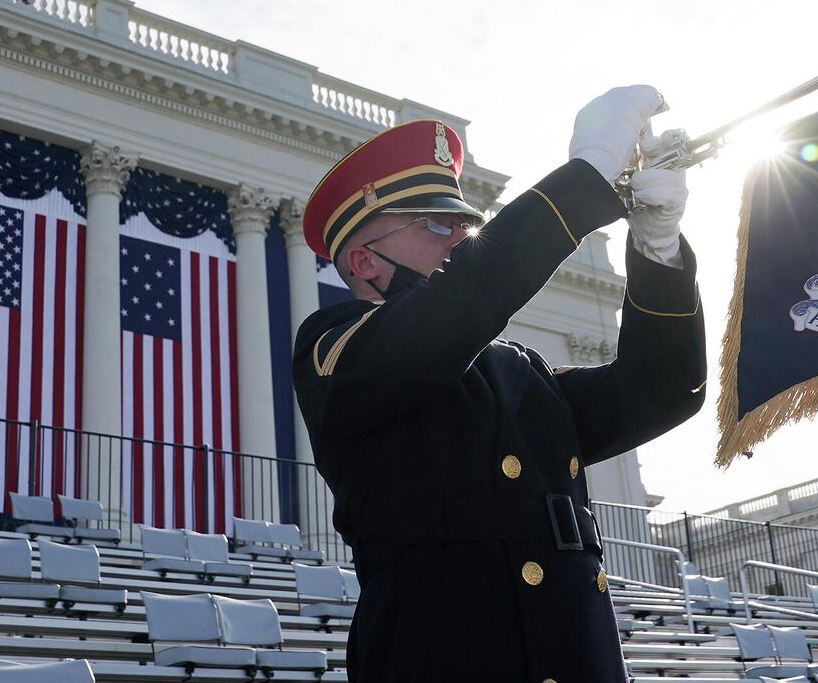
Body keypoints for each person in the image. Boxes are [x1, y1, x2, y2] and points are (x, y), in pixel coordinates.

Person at [292, 87, 706, 681]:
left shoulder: (520, 370)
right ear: (364, 263)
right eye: (438, 223)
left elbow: (663, 388)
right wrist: (585, 179)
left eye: (467, 222)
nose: (463, 238)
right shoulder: (334, 346)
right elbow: (450, 314)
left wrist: (657, 247)